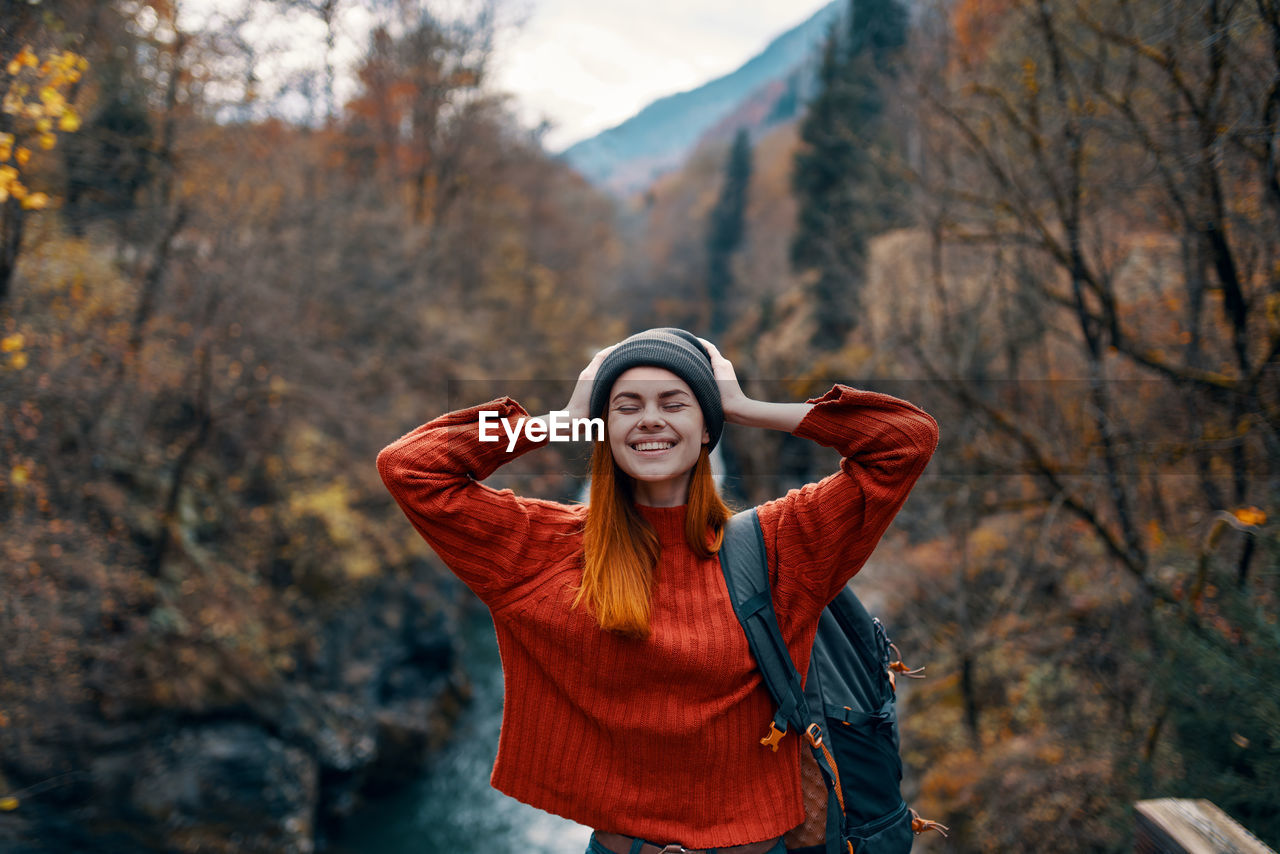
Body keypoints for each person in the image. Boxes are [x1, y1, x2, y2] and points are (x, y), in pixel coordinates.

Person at [376, 328, 938, 854]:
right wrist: (564, 418)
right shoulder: (541, 551)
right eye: (627, 407)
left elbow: (904, 442)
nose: (650, 420)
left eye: (675, 404)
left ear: (707, 430)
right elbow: (411, 469)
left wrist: (746, 408)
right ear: (602, 430)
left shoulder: (783, 548)